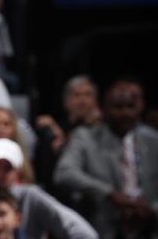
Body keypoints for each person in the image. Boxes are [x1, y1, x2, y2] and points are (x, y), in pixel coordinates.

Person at [53, 79, 158, 238]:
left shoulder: (153, 139)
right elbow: (64, 173)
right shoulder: (86, 137)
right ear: (104, 109)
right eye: (118, 107)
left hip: (149, 227)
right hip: (103, 227)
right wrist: (109, 193)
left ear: (141, 107)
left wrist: (152, 208)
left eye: (130, 106)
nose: (125, 113)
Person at [0, 138, 97, 238]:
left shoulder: (32, 197)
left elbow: (82, 231)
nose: (0, 174)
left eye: (7, 168)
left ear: (18, 174)